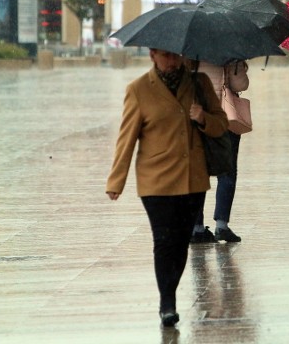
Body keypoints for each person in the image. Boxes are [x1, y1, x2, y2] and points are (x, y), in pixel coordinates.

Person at [105, 48, 228, 328]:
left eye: (176, 56)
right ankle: (167, 302)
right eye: (166, 56)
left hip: (192, 178)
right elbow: (127, 139)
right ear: (152, 56)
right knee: (163, 241)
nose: (172, 62)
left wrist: (202, 118)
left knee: (181, 241)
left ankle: (169, 292)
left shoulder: (199, 84)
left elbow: (221, 124)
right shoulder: (138, 90)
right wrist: (116, 181)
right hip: (155, 180)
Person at [191, 60, 250, 244]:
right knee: (227, 172)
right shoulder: (231, 54)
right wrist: (241, 66)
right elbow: (241, 84)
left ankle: (196, 228)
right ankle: (221, 226)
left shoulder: (190, 53)